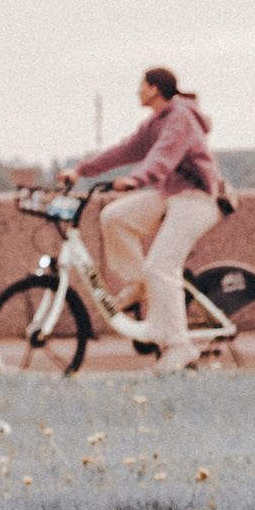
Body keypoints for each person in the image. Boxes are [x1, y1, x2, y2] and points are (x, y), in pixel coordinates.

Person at [67, 69, 226, 371]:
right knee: (114, 216)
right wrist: (81, 170)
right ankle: (138, 284)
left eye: (141, 87)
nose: (137, 92)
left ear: (154, 89)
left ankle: (180, 347)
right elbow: (123, 150)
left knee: (161, 265)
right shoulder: (156, 122)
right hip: (170, 195)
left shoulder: (180, 117)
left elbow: (162, 156)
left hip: (197, 198)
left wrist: (137, 179)